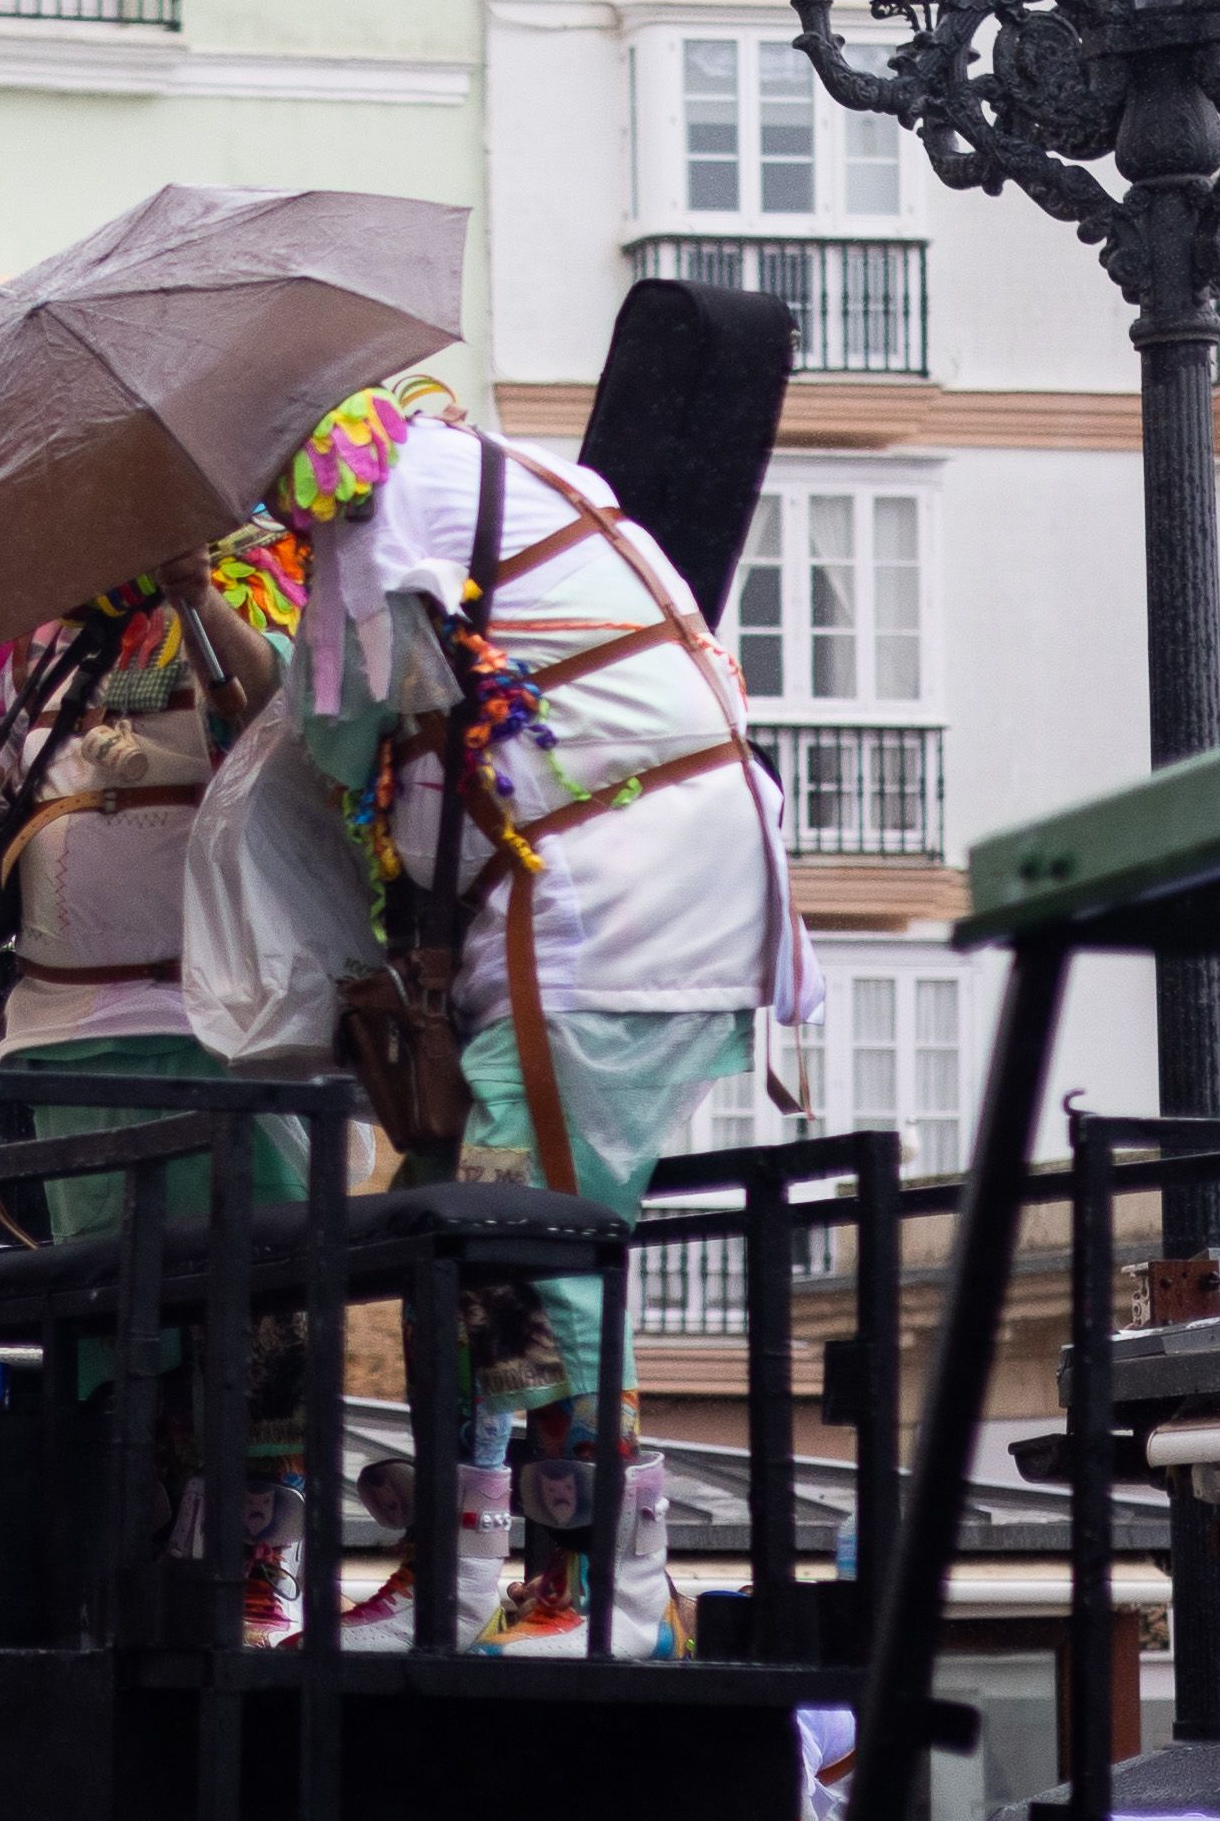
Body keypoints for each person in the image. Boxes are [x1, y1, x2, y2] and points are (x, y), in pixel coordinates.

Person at [191, 383, 821, 1657]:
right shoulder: (463, 484)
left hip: (611, 914)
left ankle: (600, 1581)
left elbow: (337, 723)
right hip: (615, 897)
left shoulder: (386, 504)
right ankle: (464, 1564)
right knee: (454, 1232)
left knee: (527, 1225)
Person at [0, 535, 308, 1641]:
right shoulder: (27, 651)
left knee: (255, 1301)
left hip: (219, 1029)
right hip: (64, 1033)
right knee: (114, 1309)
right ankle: (141, 1562)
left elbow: (278, 712)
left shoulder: (244, 582)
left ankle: (250, 1564)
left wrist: (194, 596)